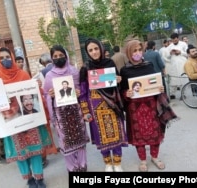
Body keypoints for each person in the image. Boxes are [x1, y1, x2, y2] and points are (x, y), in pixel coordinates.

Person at [0, 47, 52, 188]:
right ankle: (29, 179)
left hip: (29, 120)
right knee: (20, 152)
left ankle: (39, 178)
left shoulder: (23, 75)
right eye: (1, 58)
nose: (5, 60)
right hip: (12, 122)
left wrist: (36, 87)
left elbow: (34, 95)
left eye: (7, 56)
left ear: (12, 57)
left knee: (35, 149)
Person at [120, 39, 178, 172]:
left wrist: (160, 88)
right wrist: (126, 93)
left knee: (155, 132)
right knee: (138, 135)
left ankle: (155, 157)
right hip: (134, 108)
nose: (138, 53)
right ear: (129, 52)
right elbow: (121, 91)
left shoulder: (149, 65)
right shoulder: (124, 71)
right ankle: (142, 160)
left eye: (140, 50)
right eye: (134, 50)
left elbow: (157, 83)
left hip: (151, 105)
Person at [79, 38, 128, 172]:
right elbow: (82, 92)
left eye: (96, 48)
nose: (94, 52)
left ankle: (117, 163)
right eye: (90, 50)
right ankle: (107, 163)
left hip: (112, 105)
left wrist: (118, 80)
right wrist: (85, 111)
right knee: (102, 136)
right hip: (95, 108)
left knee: (116, 133)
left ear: (101, 48)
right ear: (87, 52)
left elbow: (118, 83)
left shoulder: (110, 63)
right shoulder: (86, 67)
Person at [43, 45, 89, 172]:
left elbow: (79, 88)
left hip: (75, 111)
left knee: (79, 140)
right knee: (66, 142)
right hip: (60, 114)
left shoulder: (74, 71)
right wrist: (50, 96)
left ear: (66, 56)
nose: (59, 58)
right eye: (55, 57)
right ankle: (72, 168)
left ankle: (82, 166)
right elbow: (46, 94)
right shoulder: (49, 76)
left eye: (61, 55)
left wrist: (78, 92)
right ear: (52, 59)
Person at [167, 33, 188, 99]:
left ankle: (183, 94)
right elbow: (167, 57)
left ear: (178, 38)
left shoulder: (183, 44)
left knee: (182, 79)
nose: (174, 41)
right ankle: (172, 94)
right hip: (173, 65)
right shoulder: (170, 46)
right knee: (173, 79)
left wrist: (180, 52)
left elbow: (187, 54)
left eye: (175, 40)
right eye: (173, 40)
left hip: (182, 64)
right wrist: (170, 53)